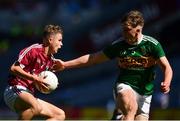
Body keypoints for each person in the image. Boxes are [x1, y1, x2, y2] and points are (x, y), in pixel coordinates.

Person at [54, 10, 173, 120]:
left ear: (138, 30)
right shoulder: (118, 45)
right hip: (125, 86)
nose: (123, 33)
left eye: (127, 30)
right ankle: (121, 111)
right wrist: (65, 64)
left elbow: (167, 67)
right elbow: (92, 59)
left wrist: (167, 82)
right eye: (123, 29)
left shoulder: (152, 45)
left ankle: (118, 116)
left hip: (145, 94)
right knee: (131, 108)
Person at [3, 24, 65, 120]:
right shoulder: (34, 50)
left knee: (60, 115)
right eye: (59, 40)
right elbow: (13, 68)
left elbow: (46, 77)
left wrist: (52, 83)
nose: (61, 44)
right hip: (15, 90)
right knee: (36, 107)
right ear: (50, 40)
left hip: (29, 94)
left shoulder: (51, 60)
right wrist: (35, 78)